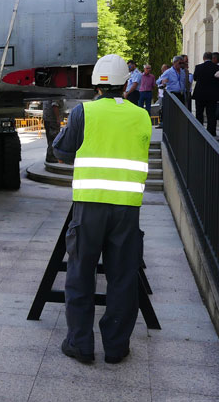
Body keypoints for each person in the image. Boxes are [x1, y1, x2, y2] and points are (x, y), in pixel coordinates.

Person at [53, 54, 152, 365]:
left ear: (96, 82)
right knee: (123, 277)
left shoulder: (84, 112)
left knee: (80, 274)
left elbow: (62, 152)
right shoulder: (142, 116)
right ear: (126, 83)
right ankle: (116, 347)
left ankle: (80, 344)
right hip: (127, 209)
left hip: (89, 207)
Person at [192, 52, 219, 136]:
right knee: (211, 114)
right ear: (211, 58)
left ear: (203, 58)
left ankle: (199, 131)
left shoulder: (198, 67)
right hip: (212, 94)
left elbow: (195, 78)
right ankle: (211, 131)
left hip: (200, 94)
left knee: (199, 113)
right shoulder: (217, 67)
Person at [43, 98, 64, 163]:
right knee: (54, 138)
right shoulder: (56, 92)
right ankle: (52, 157)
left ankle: (49, 156)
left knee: (50, 139)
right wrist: (58, 118)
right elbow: (55, 105)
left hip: (47, 119)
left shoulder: (48, 92)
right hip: (53, 119)